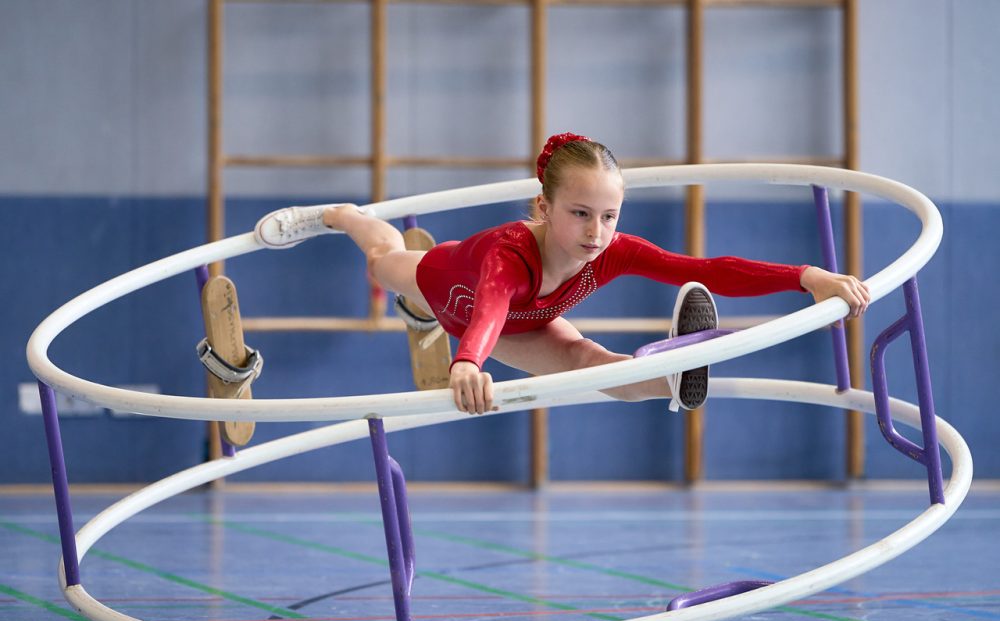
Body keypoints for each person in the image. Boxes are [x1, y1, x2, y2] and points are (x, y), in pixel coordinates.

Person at [255, 132, 870, 415]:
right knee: (384, 260)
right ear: (544, 209)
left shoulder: (612, 248)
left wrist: (805, 275)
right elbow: (492, 302)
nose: (596, 232)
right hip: (454, 291)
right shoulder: (507, 254)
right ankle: (342, 214)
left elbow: (705, 268)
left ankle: (674, 376)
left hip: (526, 325)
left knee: (585, 364)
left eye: (609, 215)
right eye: (580, 214)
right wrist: (468, 361)